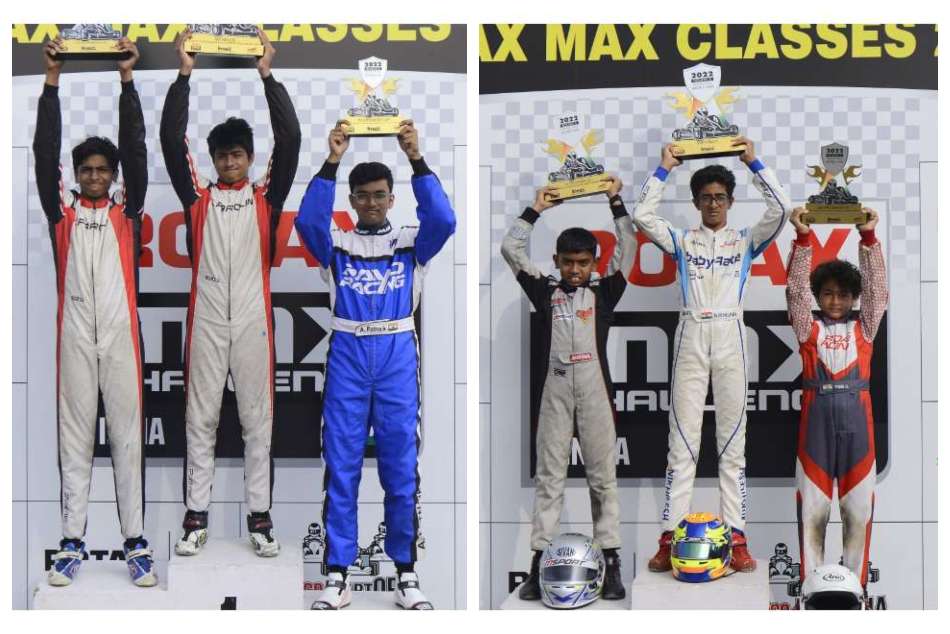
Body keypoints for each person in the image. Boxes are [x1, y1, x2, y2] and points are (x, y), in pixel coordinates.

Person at [295, 120, 455, 609]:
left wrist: (415, 157)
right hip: (347, 355)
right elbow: (307, 221)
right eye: (362, 196)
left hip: (396, 358)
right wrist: (332, 160)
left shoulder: (412, 242)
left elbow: (444, 219)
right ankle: (337, 575)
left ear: (391, 198)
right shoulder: (335, 243)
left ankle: (406, 573)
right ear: (351, 200)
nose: (371, 203)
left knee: (401, 470)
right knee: (341, 469)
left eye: (379, 195)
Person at [159, 28, 301, 557]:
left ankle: (260, 519)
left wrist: (267, 75)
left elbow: (290, 139)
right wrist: (184, 74)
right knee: (199, 420)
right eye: (221, 157)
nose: (229, 164)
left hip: (253, 322)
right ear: (213, 160)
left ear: (249, 157)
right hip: (206, 324)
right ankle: (195, 519)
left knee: (257, 423)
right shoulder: (197, 199)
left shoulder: (267, 198)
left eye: (237, 156)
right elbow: (170, 140)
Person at [633, 139, 792, 573]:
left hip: (730, 333)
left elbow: (781, 208)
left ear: (731, 201)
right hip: (690, 331)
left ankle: (736, 537)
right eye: (706, 198)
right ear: (697, 202)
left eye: (721, 197)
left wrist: (753, 161)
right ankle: (669, 537)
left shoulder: (745, 241)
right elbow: (642, 215)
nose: (714, 204)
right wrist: (664, 167)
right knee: (681, 444)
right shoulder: (683, 241)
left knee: (732, 444)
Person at [34, 36, 155, 587]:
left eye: (103, 170)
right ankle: (71, 543)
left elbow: (137, 148)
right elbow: (44, 153)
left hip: (122, 342)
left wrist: (127, 80)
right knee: (75, 440)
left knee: (127, 440)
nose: (95, 176)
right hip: (76, 340)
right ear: (76, 174)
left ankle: (136, 543)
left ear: (114, 175)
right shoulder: (61, 214)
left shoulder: (127, 212)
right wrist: (51, 81)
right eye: (86, 169)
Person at [501, 179, 634, 601]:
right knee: (549, 481)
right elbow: (510, 248)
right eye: (568, 263)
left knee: (603, 481)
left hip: (596, 395)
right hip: (554, 396)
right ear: (556, 261)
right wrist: (535, 209)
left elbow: (629, 246)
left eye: (583, 263)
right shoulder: (545, 291)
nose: (575, 270)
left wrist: (615, 201)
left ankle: (611, 562)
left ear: (595, 262)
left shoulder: (606, 292)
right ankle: (537, 563)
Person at [785, 207, 887, 590]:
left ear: (854, 298)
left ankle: (857, 591)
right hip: (816, 429)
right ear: (818, 297)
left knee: (858, 512)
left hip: (858, 427)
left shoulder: (866, 327)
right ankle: (809, 590)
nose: (835, 301)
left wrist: (869, 238)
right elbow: (795, 290)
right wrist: (803, 239)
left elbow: (878, 290)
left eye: (843, 295)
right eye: (827, 294)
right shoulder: (807, 328)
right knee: (812, 512)